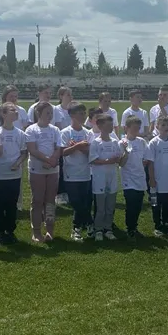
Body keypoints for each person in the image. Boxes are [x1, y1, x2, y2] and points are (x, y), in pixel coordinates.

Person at [25, 102, 64, 242]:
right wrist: (47, 160)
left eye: (51, 113)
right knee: (37, 200)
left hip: (53, 170)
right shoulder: (31, 130)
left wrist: (53, 160)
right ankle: (36, 232)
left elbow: (58, 148)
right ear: (38, 113)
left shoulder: (55, 130)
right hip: (37, 170)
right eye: (47, 113)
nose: (50, 115)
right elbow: (32, 149)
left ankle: (50, 230)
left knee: (50, 201)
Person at [0, 102, 27, 246]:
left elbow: (24, 153)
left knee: (12, 204)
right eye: (12, 110)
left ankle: (10, 230)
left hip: (14, 175)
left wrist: (17, 163)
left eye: (16, 110)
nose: (16, 112)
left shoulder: (20, 133)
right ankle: (0, 231)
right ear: (3, 114)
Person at [61, 103, 94, 241]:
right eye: (80, 113)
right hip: (71, 172)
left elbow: (91, 153)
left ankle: (77, 228)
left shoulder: (88, 132)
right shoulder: (65, 132)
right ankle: (90, 222)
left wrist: (78, 147)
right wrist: (79, 146)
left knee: (83, 202)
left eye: (84, 113)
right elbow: (63, 152)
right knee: (75, 201)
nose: (83, 116)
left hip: (85, 172)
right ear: (72, 115)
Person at [89, 114, 122, 240]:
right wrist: (108, 161)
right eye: (108, 125)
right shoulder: (96, 143)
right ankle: (98, 229)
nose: (111, 127)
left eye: (111, 124)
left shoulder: (115, 142)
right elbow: (93, 160)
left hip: (112, 177)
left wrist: (122, 155)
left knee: (110, 206)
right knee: (100, 207)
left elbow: (119, 158)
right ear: (100, 126)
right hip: (99, 178)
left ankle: (108, 228)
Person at [146, 115, 168, 236]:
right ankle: (157, 225)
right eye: (163, 125)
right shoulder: (153, 143)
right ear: (157, 127)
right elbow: (150, 162)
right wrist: (152, 178)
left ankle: (166, 224)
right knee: (156, 203)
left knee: (167, 203)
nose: (166, 127)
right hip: (157, 180)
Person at [119, 116, 149, 238]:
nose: (137, 130)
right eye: (134, 128)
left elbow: (146, 158)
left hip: (140, 178)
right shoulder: (121, 143)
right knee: (131, 204)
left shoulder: (142, 142)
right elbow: (121, 163)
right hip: (128, 178)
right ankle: (130, 228)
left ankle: (134, 226)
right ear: (126, 128)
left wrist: (143, 164)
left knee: (138, 205)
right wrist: (126, 152)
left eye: (138, 128)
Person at [55, 87, 74, 206]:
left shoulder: (73, 109)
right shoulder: (56, 110)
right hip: (61, 143)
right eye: (68, 95)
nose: (70, 97)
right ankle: (60, 193)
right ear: (61, 96)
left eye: (71, 95)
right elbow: (57, 127)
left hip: (73, 143)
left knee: (71, 168)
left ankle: (69, 192)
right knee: (61, 168)